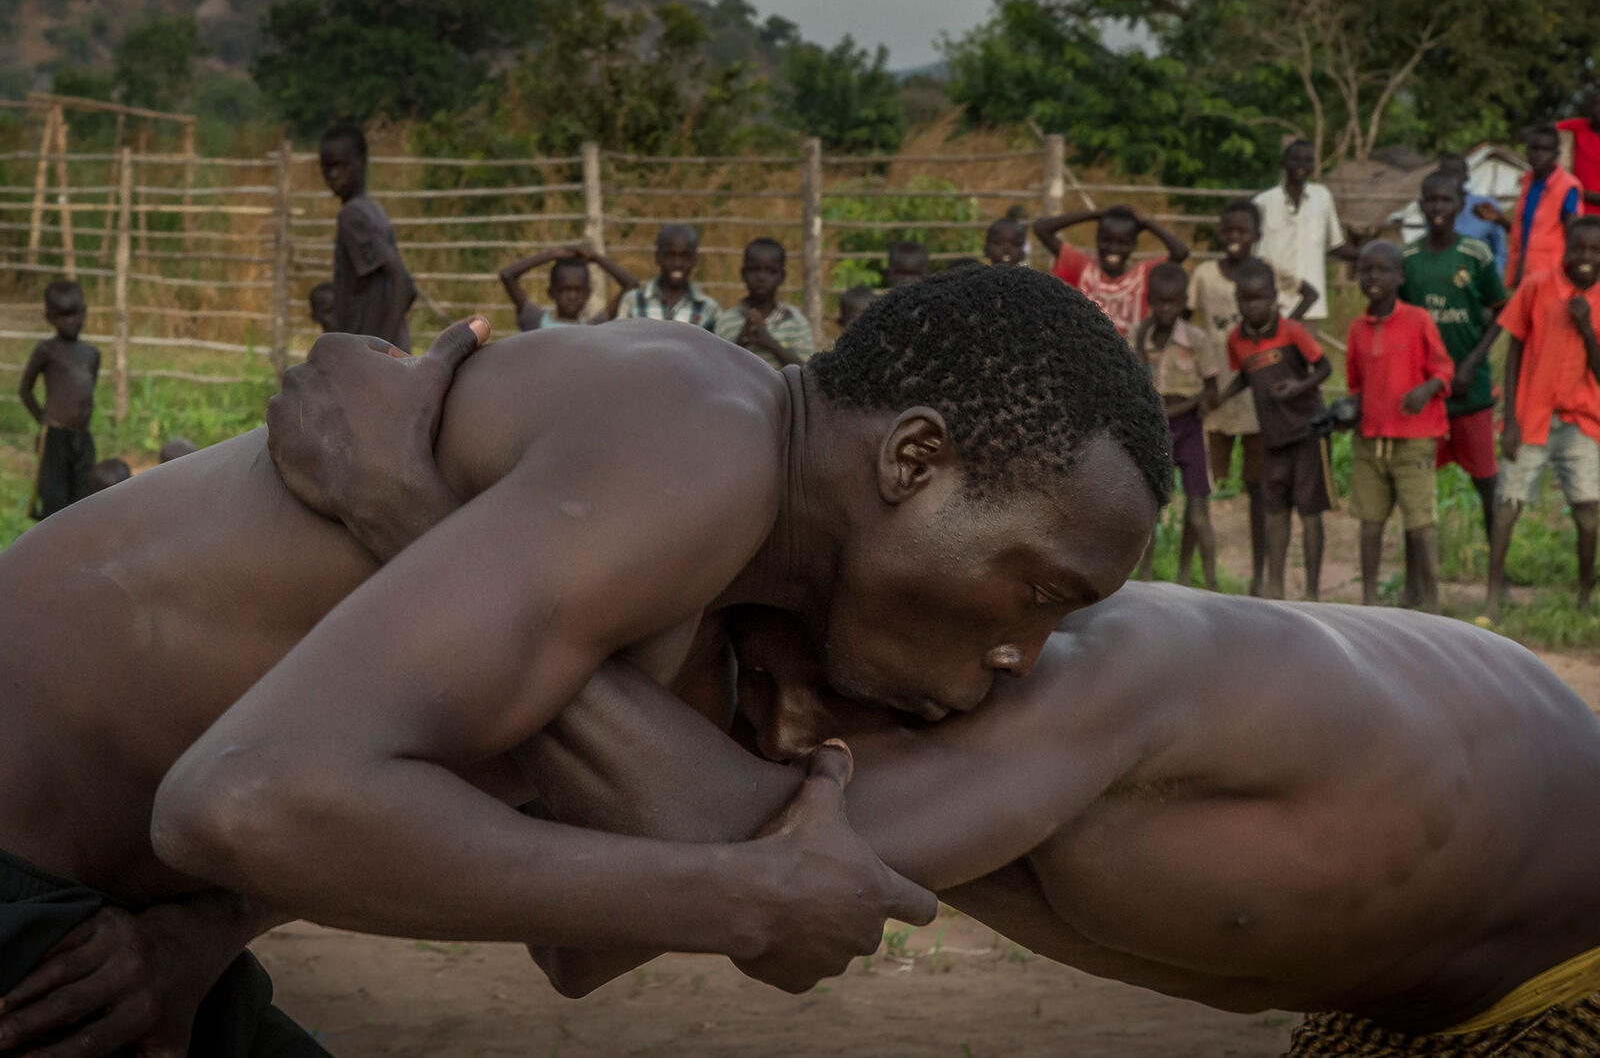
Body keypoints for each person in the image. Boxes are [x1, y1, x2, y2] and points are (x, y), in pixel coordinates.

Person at [0, 267, 1169, 1055]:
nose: (1022, 652)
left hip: (107, 921)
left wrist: (207, 931)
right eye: (1038, 589)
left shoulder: (733, 580)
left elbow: (573, 942)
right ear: (913, 459)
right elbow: (244, 797)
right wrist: (745, 896)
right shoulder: (698, 443)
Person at [495, 583, 1600, 1055]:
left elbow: (591, 936)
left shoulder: (1073, 687)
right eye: (745, 693)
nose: (780, 728)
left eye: (799, 680)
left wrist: (512, 605)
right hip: (1420, 997)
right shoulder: (949, 708)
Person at [1188, 199, 1319, 596]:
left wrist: (1285, 331)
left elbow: (1309, 292)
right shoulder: (1204, 276)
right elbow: (1183, 319)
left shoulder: (1267, 272)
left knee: (1259, 489)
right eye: (1228, 230)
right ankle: (1198, 576)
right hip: (1220, 397)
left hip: (1261, 406)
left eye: (1242, 231)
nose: (1234, 237)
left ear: (1257, 235)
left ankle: (1260, 576)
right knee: (1201, 487)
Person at [1486, 216, 1600, 620]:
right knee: (1508, 504)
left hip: (1581, 420)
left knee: (1587, 511)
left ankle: (1584, 597)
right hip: (1531, 416)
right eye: (1578, 248)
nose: (1585, 257)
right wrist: (1510, 420)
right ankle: (1493, 595)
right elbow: (1514, 349)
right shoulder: (1537, 286)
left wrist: (1586, 327)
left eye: (1595, 250)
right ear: (1565, 248)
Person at [1214, 259, 1333, 601]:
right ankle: (1275, 589)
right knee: (1275, 511)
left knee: (1310, 511)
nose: (1252, 306)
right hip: (1273, 436)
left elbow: (1324, 368)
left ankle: (1312, 593)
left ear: (1273, 298)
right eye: (1245, 299)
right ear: (1237, 300)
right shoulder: (1236, 340)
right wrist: (1222, 397)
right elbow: (1246, 375)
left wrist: (1298, 387)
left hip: (1308, 431)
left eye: (1260, 298)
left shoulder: (1292, 331)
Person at [1400, 172, 1509, 548]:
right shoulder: (1408, 259)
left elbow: (1501, 311)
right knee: (1417, 485)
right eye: (1430, 200)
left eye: (1445, 200)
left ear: (1460, 204)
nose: (1437, 208)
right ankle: (1417, 572)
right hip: (1425, 393)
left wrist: (1472, 363)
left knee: (1486, 480)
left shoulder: (1475, 254)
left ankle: (1498, 570)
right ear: (1421, 205)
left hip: (1470, 389)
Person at [1345, 241, 1455, 614]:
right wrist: (1348, 411)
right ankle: (1369, 602)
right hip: (1370, 440)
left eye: (1382, 270)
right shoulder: (1357, 328)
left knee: (1420, 523)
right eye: (1366, 270)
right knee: (1370, 522)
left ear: (1400, 276)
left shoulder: (1418, 320)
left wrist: (1427, 389)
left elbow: (1444, 369)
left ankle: (1432, 604)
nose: (1373, 277)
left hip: (1414, 439)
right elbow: (1356, 384)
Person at [1131, 263, 1221, 589]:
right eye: (1159, 302)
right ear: (1149, 301)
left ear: (1184, 302)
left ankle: (1209, 583)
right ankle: (1143, 580)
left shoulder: (1196, 339)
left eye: (1173, 302)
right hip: (1154, 431)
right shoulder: (1139, 336)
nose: (1166, 309)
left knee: (1197, 511)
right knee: (1150, 509)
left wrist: (1195, 404)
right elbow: (1133, 382)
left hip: (1189, 429)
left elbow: (1212, 391)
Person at [320, 123, 416, 353]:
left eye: (342, 165)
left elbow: (403, 282)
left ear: (362, 163)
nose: (333, 175)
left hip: (370, 357)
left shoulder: (352, 215)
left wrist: (380, 351)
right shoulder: (372, 210)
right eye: (327, 167)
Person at [1032, 204, 1190, 342]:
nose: (1113, 249)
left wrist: (1145, 223)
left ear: (1133, 245)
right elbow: (1041, 229)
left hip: (1130, 357)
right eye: (1106, 240)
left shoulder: (1142, 275)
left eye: (1123, 243)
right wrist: (1095, 215)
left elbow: (1180, 252)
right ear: (1097, 240)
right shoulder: (1082, 267)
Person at [1252, 138, 1359, 337]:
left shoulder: (1322, 197)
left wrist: (1368, 255)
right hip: (1272, 302)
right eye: (1295, 159)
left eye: (1308, 160)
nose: (1301, 165)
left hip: (1309, 305)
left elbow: (1335, 244)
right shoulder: (1263, 202)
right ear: (1284, 163)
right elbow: (1252, 253)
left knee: (1305, 352)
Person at [18, 279, 99, 520]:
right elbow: (25, 389)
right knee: (54, 501)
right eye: (63, 316)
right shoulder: (46, 351)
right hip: (54, 437)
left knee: (84, 500)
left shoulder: (91, 354)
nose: (71, 321)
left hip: (82, 437)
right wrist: (43, 420)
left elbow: (88, 391)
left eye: (76, 314)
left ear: (85, 312)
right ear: (49, 318)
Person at [1497, 125, 1582, 289]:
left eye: (1545, 149)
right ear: (1527, 152)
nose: (1539, 154)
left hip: (1551, 276)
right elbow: (1525, 233)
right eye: (1534, 148)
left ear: (1556, 154)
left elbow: (1573, 235)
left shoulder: (1566, 186)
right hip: (1523, 273)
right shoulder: (1527, 183)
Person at [711, 238, 814, 368]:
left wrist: (769, 342)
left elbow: (807, 370)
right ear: (743, 273)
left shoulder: (795, 322)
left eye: (771, 271)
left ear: (782, 276)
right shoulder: (726, 321)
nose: (761, 277)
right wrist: (741, 340)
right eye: (754, 270)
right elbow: (716, 368)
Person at [497, 243, 638, 331]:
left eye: (578, 290)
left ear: (588, 293)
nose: (572, 296)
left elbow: (631, 284)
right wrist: (550, 255)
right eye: (564, 289)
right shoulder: (536, 322)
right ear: (551, 293)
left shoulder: (594, 328)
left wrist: (596, 258)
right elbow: (507, 275)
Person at [613, 224, 720, 328]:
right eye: (670, 255)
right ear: (658, 256)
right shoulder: (634, 301)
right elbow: (620, 337)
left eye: (685, 256)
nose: (677, 263)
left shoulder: (708, 308)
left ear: (695, 259)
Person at [1436, 152, 1509, 278]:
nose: (1451, 178)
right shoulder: (1435, 210)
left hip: (1480, 281)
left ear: (1466, 177)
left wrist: (1491, 279)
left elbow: (1500, 252)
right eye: (1446, 173)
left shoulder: (1485, 207)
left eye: (1456, 172)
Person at [1558, 87, 1600, 217]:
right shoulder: (1579, 126)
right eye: (1596, 103)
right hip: (1575, 210)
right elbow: (1543, 132)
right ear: (1589, 107)